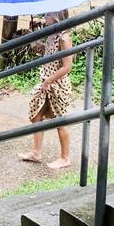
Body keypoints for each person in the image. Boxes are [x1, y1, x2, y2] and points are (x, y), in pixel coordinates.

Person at [18, 10, 74, 169]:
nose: (45, 17)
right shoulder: (52, 34)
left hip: (57, 84)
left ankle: (65, 157)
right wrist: (40, 47)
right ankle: (36, 152)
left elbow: (67, 66)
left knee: (59, 121)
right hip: (46, 82)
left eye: (48, 15)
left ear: (57, 17)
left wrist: (49, 80)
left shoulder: (64, 37)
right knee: (36, 115)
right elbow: (51, 54)